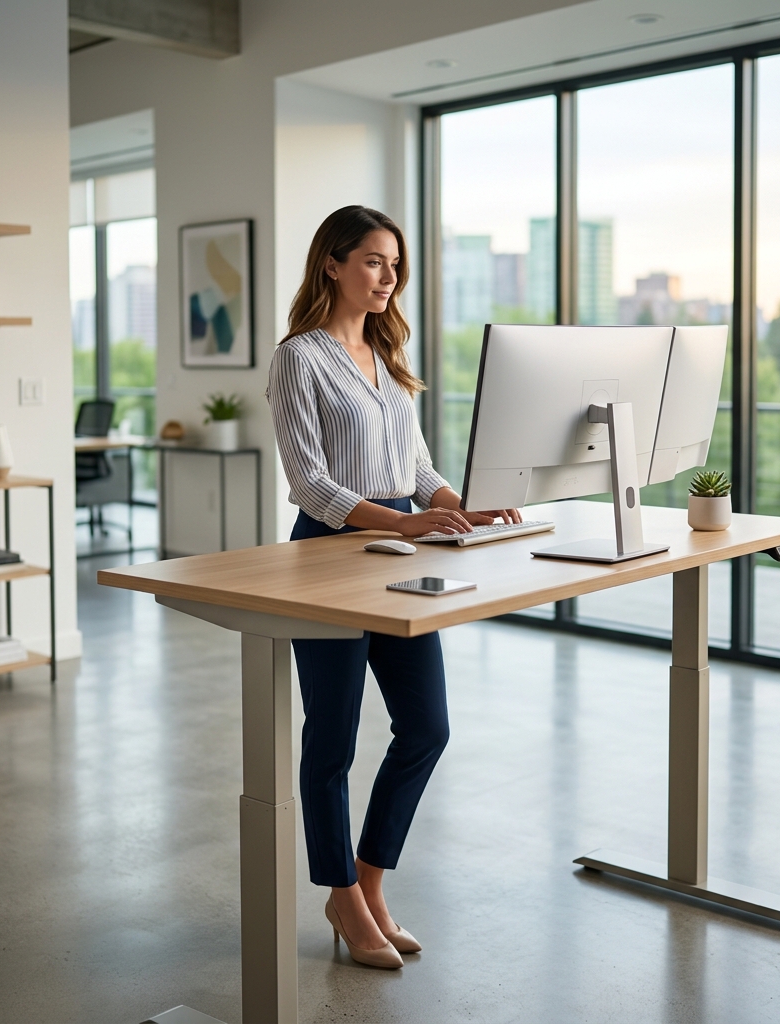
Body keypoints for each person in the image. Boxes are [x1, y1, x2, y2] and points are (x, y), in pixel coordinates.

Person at [268, 205, 519, 969]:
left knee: (426, 727)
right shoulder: (299, 358)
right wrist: (408, 523)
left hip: (402, 554)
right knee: (333, 740)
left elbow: (417, 470)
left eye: (395, 264)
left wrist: (452, 505)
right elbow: (311, 484)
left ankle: (369, 884)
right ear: (333, 264)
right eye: (375, 261)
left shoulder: (387, 356)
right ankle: (341, 895)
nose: (389, 277)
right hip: (329, 558)